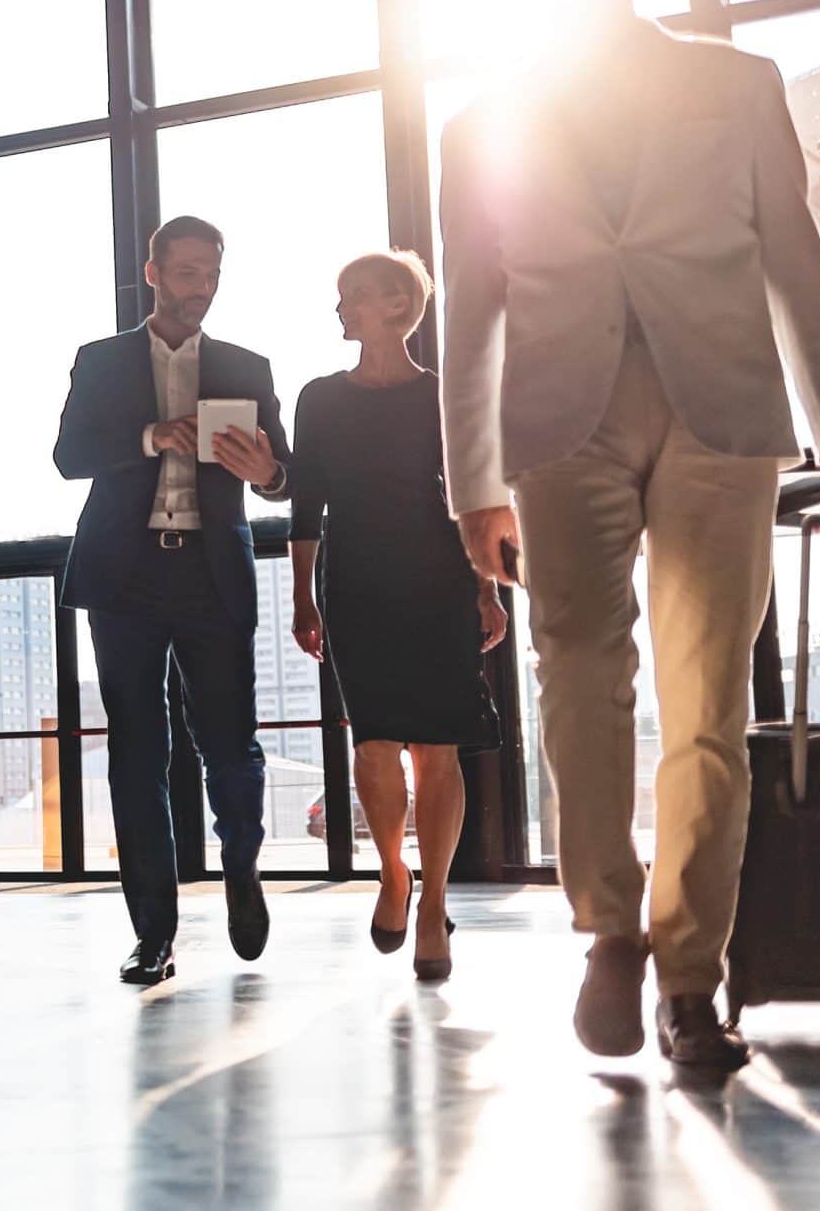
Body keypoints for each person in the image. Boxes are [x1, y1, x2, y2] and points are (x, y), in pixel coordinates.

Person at [437, 0, 820, 1069]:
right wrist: (469, 481)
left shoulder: (736, 85)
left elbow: (793, 255)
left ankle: (691, 978)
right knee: (575, 678)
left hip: (722, 412)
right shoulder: (480, 125)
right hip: (557, 422)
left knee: (708, 709)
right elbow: (471, 316)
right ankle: (609, 928)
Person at [55, 216, 292, 987]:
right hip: (124, 576)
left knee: (231, 743)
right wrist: (153, 435)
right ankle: (153, 934)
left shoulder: (246, 366)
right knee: (137, 754)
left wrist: (267, 472)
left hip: (211, 572)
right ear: (153, 273)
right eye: (187, 272)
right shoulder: (101, 361)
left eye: (212, 274)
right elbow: (68, 457)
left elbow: (284, 474)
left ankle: (241, 867)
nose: (201, 287)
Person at [288, 250, 507, 985]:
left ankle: (435, 900)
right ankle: (393, 873)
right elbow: (305, 503)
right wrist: (301, 594)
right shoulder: (318, 397)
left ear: (395, 305)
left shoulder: (443, 397)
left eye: (351, 296)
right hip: (355, 579)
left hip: (438, 575)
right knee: (375, 740)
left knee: (437, 746)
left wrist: (487, 589)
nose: (340, 309)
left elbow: (471, 498)